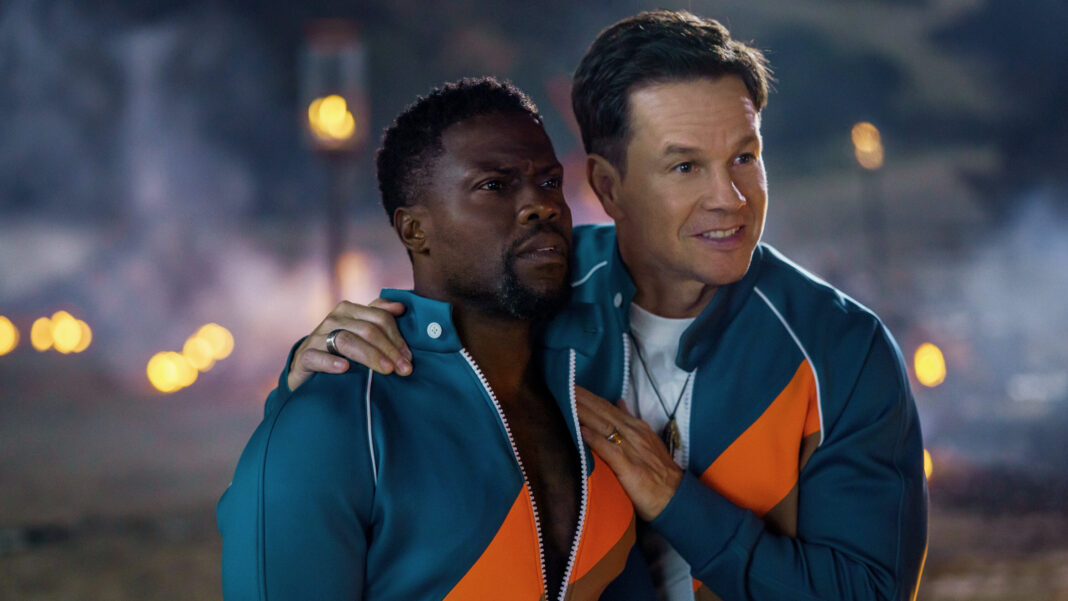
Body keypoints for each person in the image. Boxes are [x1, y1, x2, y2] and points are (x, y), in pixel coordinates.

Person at [283, 10, 928, 601]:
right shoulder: (529, 292)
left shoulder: (843, 348)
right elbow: (406, 392)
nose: (730, 198)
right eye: (685, 167)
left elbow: (870, 594)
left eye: (744, 156)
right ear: (607, 186)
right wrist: (319, 361)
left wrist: (675, 499)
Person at [217, 78, 647, 601]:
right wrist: (287, 404)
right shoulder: (334, 421)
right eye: (495, 185)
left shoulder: (590, 373)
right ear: (414, 231)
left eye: (550, 181)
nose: (541, 205)